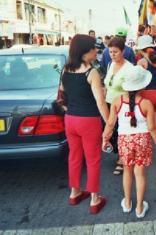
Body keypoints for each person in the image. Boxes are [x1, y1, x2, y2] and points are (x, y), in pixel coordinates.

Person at [59, 34, 109, 214]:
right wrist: (109, 123)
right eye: (92, 48)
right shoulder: (91, 72)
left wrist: (70, 110)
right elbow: (100, 102)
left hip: (70, 119)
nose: (96, 50)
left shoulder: (65, 70)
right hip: (88, 120)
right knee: (93, 159)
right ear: (83, 51)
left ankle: (75, 193)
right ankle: (95, 199)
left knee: (74, 157)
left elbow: (62, 96)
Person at [102, 65, 156, 219]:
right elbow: (152, 127)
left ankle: (127, 203)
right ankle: (140, 208)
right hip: (142, 140)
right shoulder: (147, 103)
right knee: (140, 174)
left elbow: (110, 123)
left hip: (124, 140)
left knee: (127, 171)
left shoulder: (117, 101)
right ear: (143, 85)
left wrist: (105, 138)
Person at [135, 35, 156, 168]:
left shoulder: (141, 63)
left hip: (145, 95)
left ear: (141, 49)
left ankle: (144, 155)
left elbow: (137, 83)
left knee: (144, 126)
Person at [104, 36, 134, 175]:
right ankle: (120, 155)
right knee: (113, 133)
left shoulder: (129, 68)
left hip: (122, 105)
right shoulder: (111, 64)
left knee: (121, 132)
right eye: (110, 52)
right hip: (110, 104)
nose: (112, 55)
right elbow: (106, 85)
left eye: (115, 52)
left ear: (123, 51)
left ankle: (123, 160)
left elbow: (132, 90)